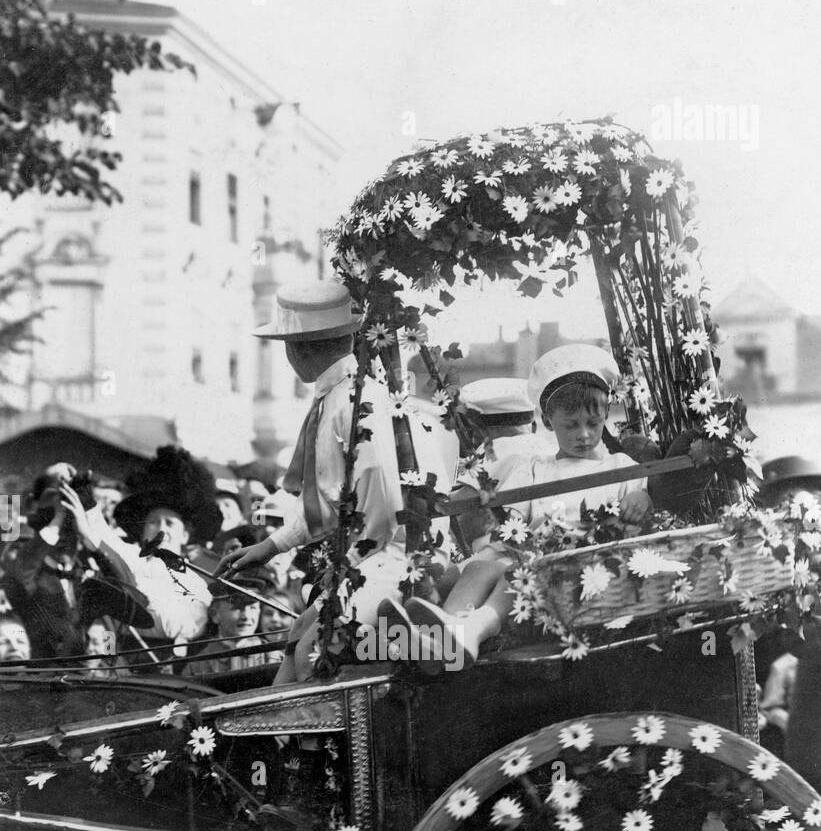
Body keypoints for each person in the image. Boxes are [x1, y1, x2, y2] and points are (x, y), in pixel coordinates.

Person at [217, 278, 450, 682]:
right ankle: (286, 742)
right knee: (297, 635)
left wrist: (338, 564)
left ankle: (307, 745)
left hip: (394, 558)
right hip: (376, 554)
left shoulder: (350, 402)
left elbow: (372, 509)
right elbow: (331, 501)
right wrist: (271, 546)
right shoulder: (346, 396)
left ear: (298, 350)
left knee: (311, 649)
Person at [398, 345, 651, 668]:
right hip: (532, 553)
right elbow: (514, 523)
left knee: (520, 571)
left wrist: (640, 498)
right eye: (570, 425)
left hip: (579, 568)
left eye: (593, 422)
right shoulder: (534, 467)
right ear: (547, 422)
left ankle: (471, 631)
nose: (584, 435)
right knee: (481, 565)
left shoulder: (620, 465)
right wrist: (508, 544)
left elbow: (642, 501)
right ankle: (446, 630)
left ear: (604, 416)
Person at [58, 446, 222, 659]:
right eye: (154, 522)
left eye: (170, 523)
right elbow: (104, 539)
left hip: (186, 661)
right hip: (134, 657)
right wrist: (86, 500)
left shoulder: (197, 579)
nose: (162, 528)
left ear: (185, 535)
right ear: (143, 532)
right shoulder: (134, 558)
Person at [1, 463, 91, 660]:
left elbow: (106, 629)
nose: (65, 503)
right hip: (41, 676)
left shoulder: (87, 568)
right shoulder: (19, 553)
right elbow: (21, 571)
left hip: (83, 676)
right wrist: (57, 518)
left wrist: (107, 658)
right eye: (56, 495)